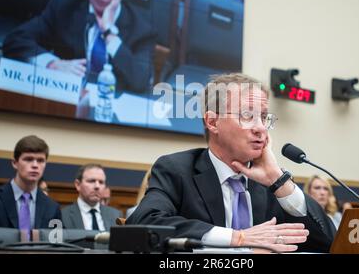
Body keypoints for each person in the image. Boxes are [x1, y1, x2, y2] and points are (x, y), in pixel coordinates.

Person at [129, 73, 335, 253]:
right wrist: (237, 239)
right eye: (247, 115)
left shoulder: (270, 182)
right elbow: (142, 225)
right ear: (212, 122)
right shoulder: (177, 169)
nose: (261, 128)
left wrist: (278, 181)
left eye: (264, 117)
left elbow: (330, 243)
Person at [2, 0, 156, 93]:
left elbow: (141, 81)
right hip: (64, 99)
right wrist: (52, 63)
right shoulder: (64, 6)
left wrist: (109, 33)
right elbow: (15, 40)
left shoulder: (142, 29)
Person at [0, 135, 61, 237]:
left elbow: (57, 246)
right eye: (28, 159)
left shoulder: (52, 207)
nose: (35, 165)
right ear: (15, 163)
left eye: (40, 160)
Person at [62, 164, 122, 231]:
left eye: (101, 182)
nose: (97, 186)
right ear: (78, 185)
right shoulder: (63, 216)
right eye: (91, 181)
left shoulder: (116, 215)